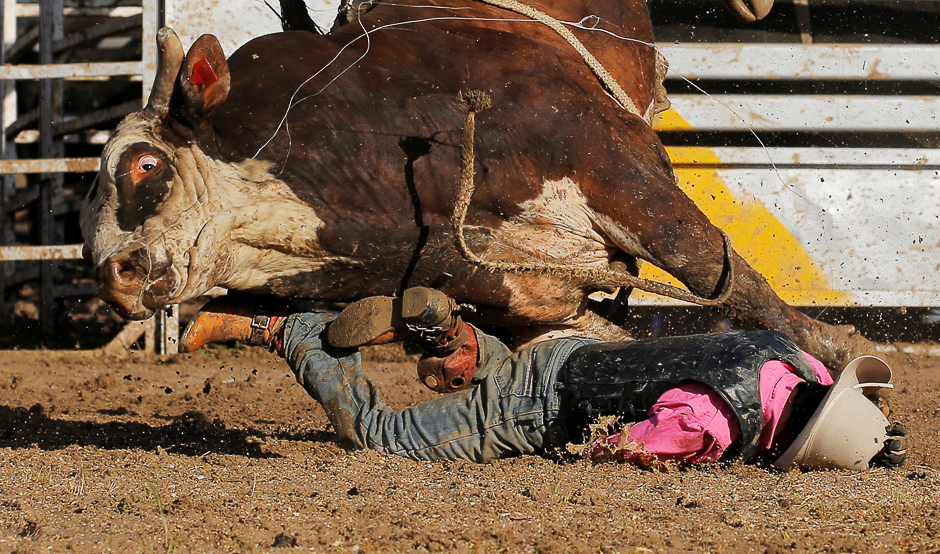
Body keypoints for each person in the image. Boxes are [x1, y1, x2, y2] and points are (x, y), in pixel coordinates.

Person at [178, 288, 909, 470]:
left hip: (569, 353)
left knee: (519, 381)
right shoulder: (714, 424)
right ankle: (289, 329)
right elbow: (621, 447)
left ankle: (453, 337)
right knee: (383, 435)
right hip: (542, 405)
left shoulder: (794, 356)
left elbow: (840, 390)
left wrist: (872, 431)